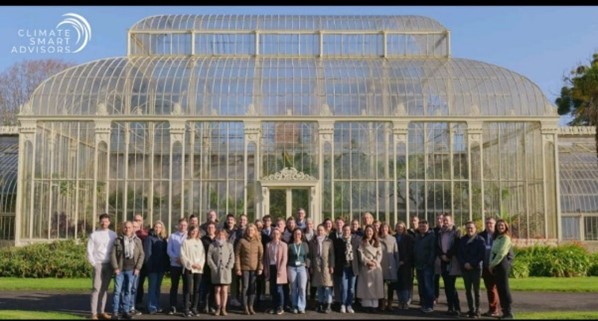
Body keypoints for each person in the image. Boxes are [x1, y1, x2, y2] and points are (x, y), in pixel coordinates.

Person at [110, 220, 144, 320]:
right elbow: (112, 255)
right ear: (123, 228)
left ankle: (126, 311)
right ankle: (115, 312)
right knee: (117, 291)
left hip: (132, 270)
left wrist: (138, 268)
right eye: (126, 227)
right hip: (120, 270)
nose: (127, 229)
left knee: (128, 291)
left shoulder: (137, 241)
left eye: (129, 227)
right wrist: (115, 268)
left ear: (133, 228)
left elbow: (142, 255)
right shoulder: (117, 240)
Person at [87, 213, 117, 320]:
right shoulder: (94, 235)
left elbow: (115, 250)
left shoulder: (113, 235)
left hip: (109, 264)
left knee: (104, 289)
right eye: (102, 221)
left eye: (106, 221)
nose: (104, 223)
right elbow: (89, 250)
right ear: (99, 222)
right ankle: (93, 313)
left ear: (109, 222)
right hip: (98, 264)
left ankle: (101, 311)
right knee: (96, 288)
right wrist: (93, 263)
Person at [457, 221, 485, 319]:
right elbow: (459, 254)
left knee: (476, 290)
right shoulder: (462, 240)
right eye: (468, 228)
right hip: (465, 268)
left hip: (476, 268)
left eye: (471, 228)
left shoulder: (480, 240)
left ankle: (477, 310)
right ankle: (471, 309)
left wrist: (471, 264)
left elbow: (481, 255)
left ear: (475, 229)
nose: (470, 229)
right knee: (468, 290)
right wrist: (464, 263)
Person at [234, 223, 264, 315]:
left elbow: (261, 256)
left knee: (252, 288)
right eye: (249, 230)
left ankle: (251, 306)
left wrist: (260, 268)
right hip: (244, 268)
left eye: (252, 230)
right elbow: (237, 255)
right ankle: (245, 306)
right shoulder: (242, 241)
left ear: (255, 231)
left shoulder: (258, 242)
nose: (250, 232)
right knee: (245, 287)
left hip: (254, 269)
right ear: (246, 231)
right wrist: (238, 268)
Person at [437, 214, 462, 316]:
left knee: (451, 285)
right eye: (444, 220)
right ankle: (450, 307)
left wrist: (448, 256)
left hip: (452, 262)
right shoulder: (440, 233)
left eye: (447, 220)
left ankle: (457, 308)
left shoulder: (456, 232)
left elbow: (456, 246)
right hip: (443, 261)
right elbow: (437, 246)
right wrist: (442, 255)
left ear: (451, 221)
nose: (445, 222)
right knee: (447, 285)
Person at [489, 219, 514, 320]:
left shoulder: (506, 238)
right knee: (499, 288)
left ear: (506, 227)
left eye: (502, 225)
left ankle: (509, 312)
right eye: (499, 225)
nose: (500, 227)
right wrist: (491, 264)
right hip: (496, 265)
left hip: (502, 264)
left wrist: (492, 264)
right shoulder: (497, 238)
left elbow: (501, 253)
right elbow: (492, 252)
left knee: (504, 288)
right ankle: (504, 312)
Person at [207, 228, 235, 316]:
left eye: (222, 235)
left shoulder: (229, 245)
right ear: (216, 235)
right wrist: (214, 268)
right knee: (217, 290)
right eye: (219, 234)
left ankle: (223, 308)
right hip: (216, 272)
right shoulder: (212, 245)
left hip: (226, 271)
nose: (221, 236)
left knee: (224, 290)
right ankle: (218, 308)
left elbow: (232, 257)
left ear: (225, 236)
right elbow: (209, 257)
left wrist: (229, 266)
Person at [356, 224, 383, 313]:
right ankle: (366, 305)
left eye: (370, 231)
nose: (369, 232)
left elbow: (380, 254)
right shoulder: (362, 242)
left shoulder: (377, 242)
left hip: (375, 267)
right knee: (366, 287)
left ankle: (374, 306)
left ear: (373, 232)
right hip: (366, 267)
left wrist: (375, 262)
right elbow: (361, 254)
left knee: (375, 286)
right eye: (367, 231)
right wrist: (368, 262)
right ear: (365, 232)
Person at [143, 220, 169, 315]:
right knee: (152, 288)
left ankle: (156, 305)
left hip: (161, 268)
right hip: (152, 268)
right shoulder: (149, 238)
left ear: (162, 229)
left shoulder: (163, 239)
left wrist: (166, 267)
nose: (158, 229)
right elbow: (147, 254)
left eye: (160, 227)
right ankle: (151, 307)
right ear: (153, 228)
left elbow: (165, 254)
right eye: (156, 227)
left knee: (158, 288)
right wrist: (149, 267)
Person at [333, 224, 360, 314]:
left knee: (351, 288)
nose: (346, 232)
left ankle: (349, 304)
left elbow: (359, 254)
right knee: (344, 287)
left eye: (348, 230)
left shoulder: (356, 241)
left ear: (350, 231)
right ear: (342, 231)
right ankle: (343, 304)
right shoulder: (338, 241)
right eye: (345, 230)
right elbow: (335, 255)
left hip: (353, 267)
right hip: (343, 268)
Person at [180, 224, 205, 318]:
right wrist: (191, 264)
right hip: (189, 268)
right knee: (187, 289)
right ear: (189, 231)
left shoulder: (200, 242)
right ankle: (186, 309)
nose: (194, 232)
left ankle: (194, 308)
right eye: (192, 230)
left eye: (196, 231)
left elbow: (203, 255)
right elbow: (182, 256)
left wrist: (200, 265)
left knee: (197, 290)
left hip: (198, 269)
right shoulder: (185, 242)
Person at [309, 224, 335, 313]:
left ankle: (328, 305)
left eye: (321, 230)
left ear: (324, 231)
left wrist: (332, 266)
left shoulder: (329, 241)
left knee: (327, 286)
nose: (320, 232)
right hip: (317, 265)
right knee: (319, 286)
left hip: (326, 265)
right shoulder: (313, 242)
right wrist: (311, 266)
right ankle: (320, 303)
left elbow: (332, 255)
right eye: (318, 230)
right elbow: (311, 256)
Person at [263, 227, 288, 315]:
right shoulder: (268, 245)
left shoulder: (284, 245)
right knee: (272, 289)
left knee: (279, 289)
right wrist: (266, 269)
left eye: (277, 234)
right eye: (274, 233)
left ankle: (280, 307)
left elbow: (285, 258)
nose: (275, 235)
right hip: (271, 268)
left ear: (280, 235)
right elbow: (266, 258)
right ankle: (274, 306)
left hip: (280, 269)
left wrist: (281, 269)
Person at [479, 217, 500, 317]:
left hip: (497, 267)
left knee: (500, 289)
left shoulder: (499, 236)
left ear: (494, 224)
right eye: (487, 223)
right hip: (486, 267)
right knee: (490, 289)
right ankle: (492, 309)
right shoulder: (481, 236)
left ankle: (502, 310)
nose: (489, 225)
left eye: (491, 223)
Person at [166, 218, 188, 316]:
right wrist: (176, 258)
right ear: (178, 225)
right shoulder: (173, 236)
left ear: (186, 226)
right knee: (174, 286)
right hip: (175, 265)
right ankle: (172, 305)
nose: (182, 226)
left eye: (184, 225)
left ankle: (185, 305)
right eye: (181, 225)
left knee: (186, 286)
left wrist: (183, 260)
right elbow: (169, 250)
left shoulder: (189, 236)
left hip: (186, 265)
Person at [414, 220, 436, 314]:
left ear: (427, 227)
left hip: (427, 266)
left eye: (424, 226)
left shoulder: (431, 237)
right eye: (421, 226)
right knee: (422, 286)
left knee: (428, 286)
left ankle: (429, 305)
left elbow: (432, 251)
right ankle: (424, 304)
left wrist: (428, 263)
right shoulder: (418, 237)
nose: (422, 228)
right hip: (418, 265)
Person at [287, 227, 310, 314]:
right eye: (296, 234)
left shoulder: (304, 244)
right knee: (293, 288)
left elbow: (308, 256)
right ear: (293, 235)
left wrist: (306, 264)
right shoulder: (290, 245)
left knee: (302, 287)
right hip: (291, 268)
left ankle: (301, 306)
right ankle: (294, 306)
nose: (297, 235)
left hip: (302, 268)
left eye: (299, 234)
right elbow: (287, 258)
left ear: (301, 235)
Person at [378, 222, 399, 311]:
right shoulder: (377, 239)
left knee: (391, 287)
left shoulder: (393, 239)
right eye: (382, 228)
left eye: (386, 228)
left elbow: (396, 252)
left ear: (388, 229)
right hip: (381, 265)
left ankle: (389, 304)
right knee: (381, 286)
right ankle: (382, 303)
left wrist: (397, 265)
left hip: (391, 266)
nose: (384, 230)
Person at [395, 221, 414, 310]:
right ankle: (400, 301)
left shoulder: (408, 238)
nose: (400, 228)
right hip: (396, 264)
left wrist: (403, 261)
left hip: (406, 264)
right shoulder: (394, 237)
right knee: (398, 283)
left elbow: (410, 251)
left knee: (405, 284)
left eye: (401, 227)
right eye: (398, 227)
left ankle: (405, 302)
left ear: (404, 228)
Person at [132, 214, 149, 310]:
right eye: (136, 220)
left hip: (141, 263)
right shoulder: (127, 233)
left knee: (139, 284)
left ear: (142, 222)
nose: (138, 221)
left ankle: (138, 301)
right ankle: (129, 304)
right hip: (129, 264)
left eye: (139, 220)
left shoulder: (145, 235)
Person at [199, 222, 216, 314]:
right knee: (205, 287)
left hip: (215, 267)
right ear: (207, 229)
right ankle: (205, 305)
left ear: (215, 229)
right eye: (209, 227)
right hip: (205, 266)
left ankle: (212, 305)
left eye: (212, 227)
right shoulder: (203, 239)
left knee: (213, 287)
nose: (211, 229)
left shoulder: (218, 239)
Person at [432, 213, 444, 305]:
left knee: (448, 280)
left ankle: (450, 298)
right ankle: (435, 297)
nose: (439, 220)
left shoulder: (450, 230)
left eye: (441, 218)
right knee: (435, 279)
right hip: (436, 258)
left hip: (447, 258)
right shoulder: (433, 231)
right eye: (437, 219)